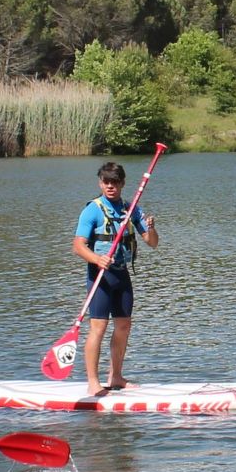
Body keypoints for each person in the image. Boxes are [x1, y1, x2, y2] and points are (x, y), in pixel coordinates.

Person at [71, 160, 160, 397]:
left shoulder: (132, 210)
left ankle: (116, 377)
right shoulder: (92, 209)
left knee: (123, 326)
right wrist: (97, 259)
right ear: (101, 183)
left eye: (115, 182)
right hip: (100, 276)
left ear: (122, 184)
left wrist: (150, 228)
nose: (110, 186)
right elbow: (78, 246)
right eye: (106, 182)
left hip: (121, 274)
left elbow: (152, 243)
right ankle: (93, 382)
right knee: (98, 327)